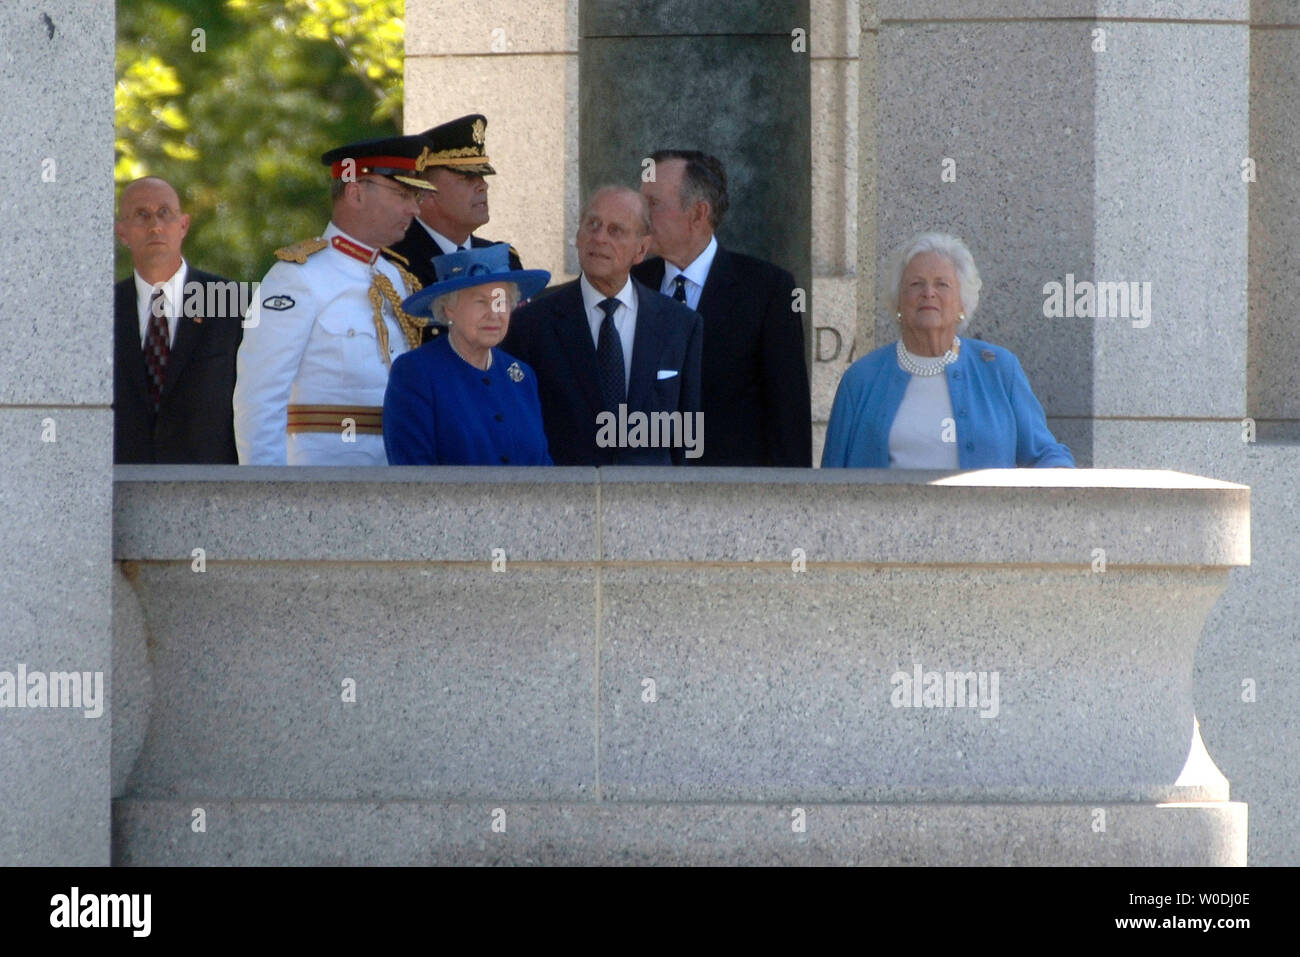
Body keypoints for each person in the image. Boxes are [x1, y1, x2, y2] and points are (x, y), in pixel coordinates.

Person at [233, 135, 437, 465]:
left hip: (399, 473)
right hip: (324, 480)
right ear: (355, 192)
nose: (414, 208)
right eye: (402, 194)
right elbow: (260, 398)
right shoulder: (297, 277)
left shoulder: (398, 278)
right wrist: (266, 493)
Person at [822, 232, 1073, 468]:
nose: (928, 293)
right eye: (916, 284)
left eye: (942, 284)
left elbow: (1045, 453)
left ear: (962, 303)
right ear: (897, 301)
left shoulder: (999, 370)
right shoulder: (861, 379)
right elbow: (830, 480)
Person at [633, 150, 811, 467]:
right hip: (638, 491)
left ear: (699, 213)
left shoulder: (767, 290)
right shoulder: (631, 284)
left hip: (730, 499)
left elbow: (788, 418)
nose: (640, 217)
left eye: (653, 204)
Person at [502, 186, 702, 466]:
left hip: (650, 498)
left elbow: (686, 433)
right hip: (564, 497)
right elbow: (518, 428)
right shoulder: (531, 323)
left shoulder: (679, 324)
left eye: (615, 231)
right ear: (578, 235)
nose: (599, 238)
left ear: (641, 249)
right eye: (592, 225)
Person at [383, 244, 552, 465]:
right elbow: (414, 474)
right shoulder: (416, 373)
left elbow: (542, 468)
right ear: (448, 308)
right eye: (480, 301)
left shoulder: (520, 375)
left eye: (501, 301)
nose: (494, 314)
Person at [113, 177, 241, 463]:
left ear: (183, 225)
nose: (155, 226)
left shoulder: (229, 301)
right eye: (141, 215)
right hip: (121, 483)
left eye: (164, 213)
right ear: (122, 232)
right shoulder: (103, 309)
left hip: (210, 484)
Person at [386, 114, 523, 345]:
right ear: (426, 193)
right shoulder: (394, 263)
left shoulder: (504, 259)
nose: (483, 185)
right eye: (468, 177)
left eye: (482, 175)